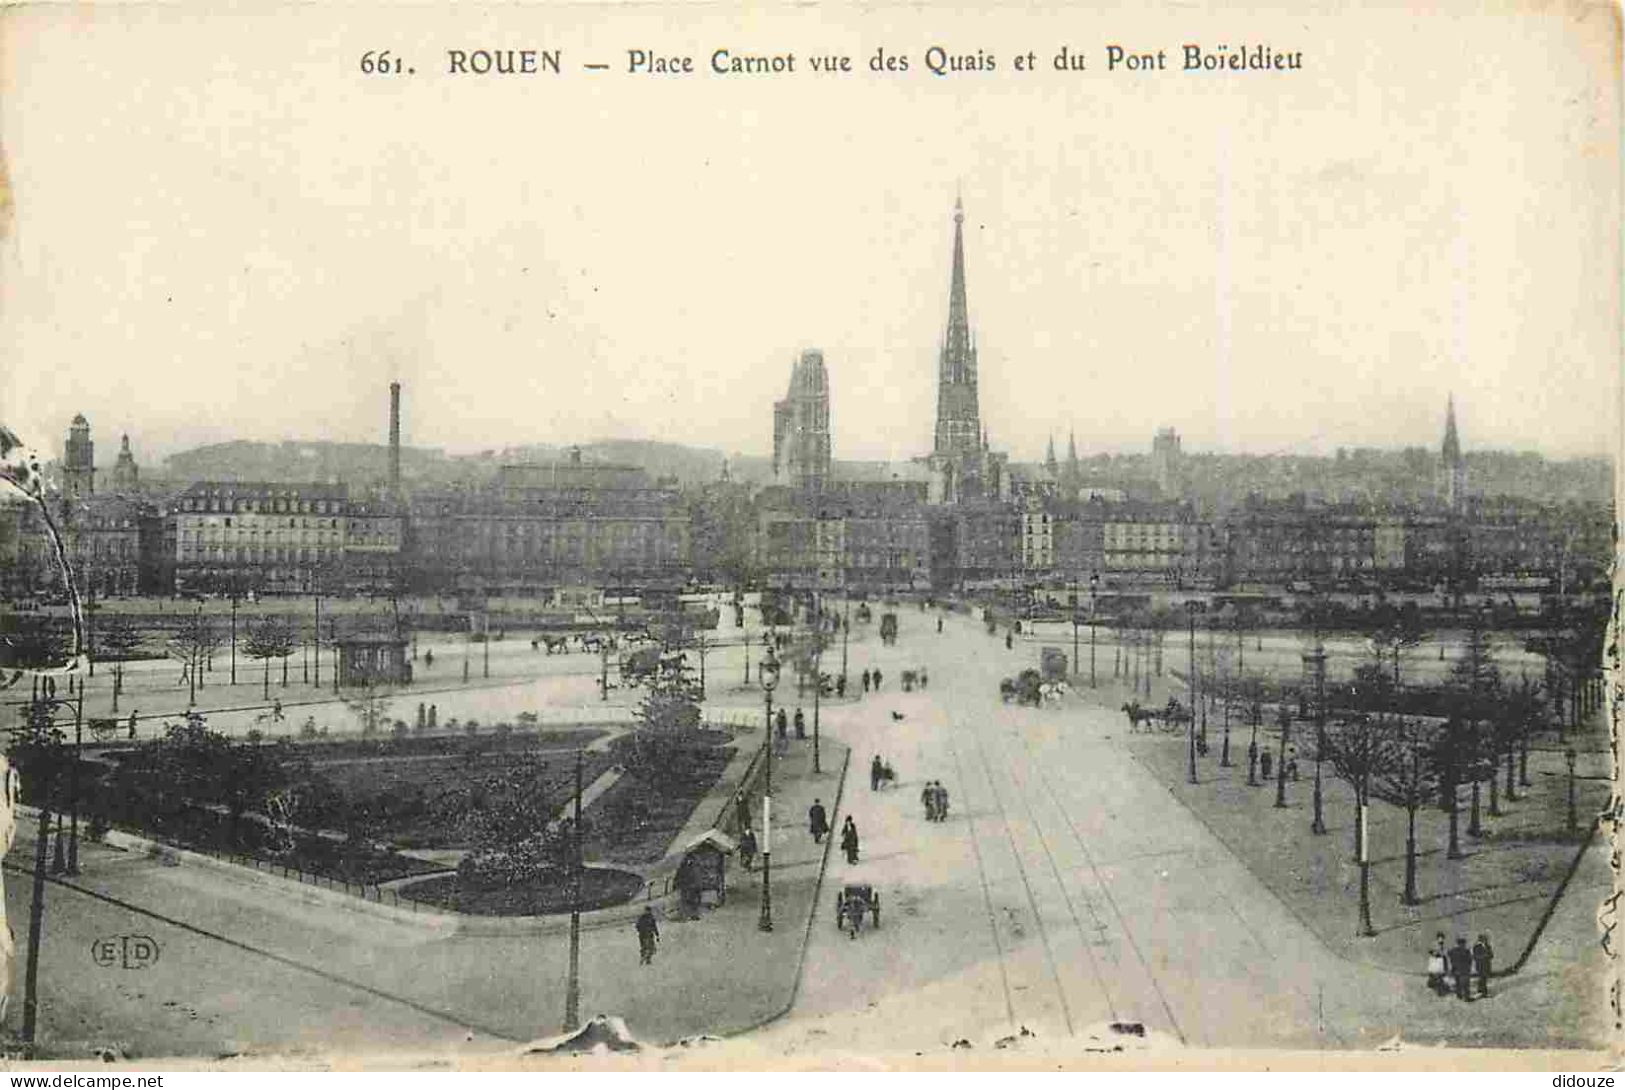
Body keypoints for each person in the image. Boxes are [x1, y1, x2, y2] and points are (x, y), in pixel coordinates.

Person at [1447, 937, 1474, 1001]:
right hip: (1464, 970)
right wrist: (1469, 967)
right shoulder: (1466, 951)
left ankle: (1459, 996)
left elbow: (1449, 956)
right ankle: (1466, 997)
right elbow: (1470, 960)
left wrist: (1453, 964)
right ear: (1463, 944)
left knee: (1458, 984)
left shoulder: (1453, 950)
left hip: (1456, 969)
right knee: (1465, 985)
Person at [1472, 934, 1493, 998]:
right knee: (1481, 978)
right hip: (1480, 965)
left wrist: (1486, 956)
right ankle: (1480, 991)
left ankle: (1484, 992)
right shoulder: (1476, 947)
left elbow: (1491, 955)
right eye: (1484, 939)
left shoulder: (1488, 946)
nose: (1485, 941)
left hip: (1486, 965)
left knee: (1484, 979)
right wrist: (1485, 956)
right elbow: (1476, 956)